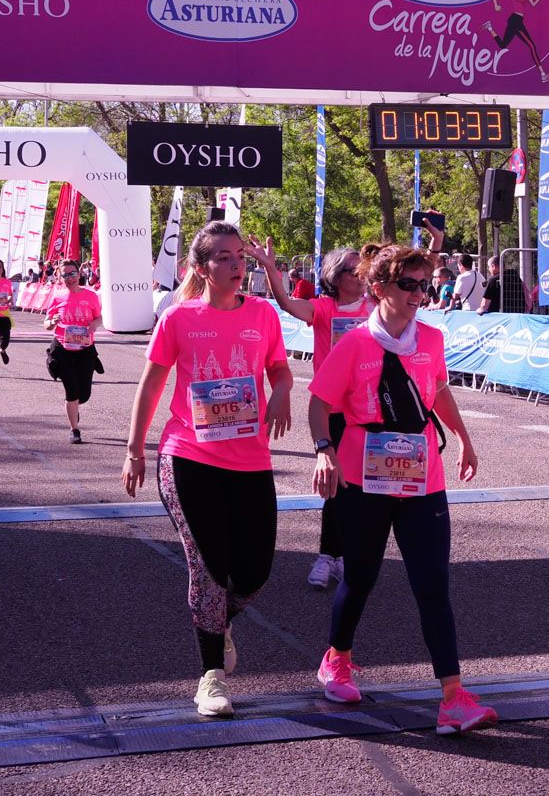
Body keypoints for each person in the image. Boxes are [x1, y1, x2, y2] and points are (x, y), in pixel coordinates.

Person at [307, 243, 497, 734]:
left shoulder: (431, 339)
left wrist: (464, 438)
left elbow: (438, 390)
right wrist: (325, 449)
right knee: (362, 576)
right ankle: (338, 657)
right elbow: (319, 403)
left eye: (424, 284)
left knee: (432, 584)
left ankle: (453, 696)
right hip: (362, 478)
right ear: (379, 289)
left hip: (421, 477)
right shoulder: (353, 344)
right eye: (407, 284)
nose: (418, 294)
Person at [122, 222, 292, 718]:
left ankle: (217, 622)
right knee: (210, 567)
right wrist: (134, 448)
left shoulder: (262, 315)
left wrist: (281, 390)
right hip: (188, 455)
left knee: (255, 572)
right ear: (201, 268)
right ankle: (211, 676)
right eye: (222, 257)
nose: (236, 265)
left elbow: (279, 369)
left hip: (251, 459)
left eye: (240, 255)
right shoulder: (178, 318)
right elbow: (151, 385)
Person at [252, 240, 377, 591]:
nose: (361, 275)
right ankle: (327, 556)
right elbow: (287, 303)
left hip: (369, 409)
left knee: (366, 485)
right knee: (336, 482)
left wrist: (436, 243)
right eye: (354, 270)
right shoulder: (323, 309)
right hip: (332, 408)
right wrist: (268, 266)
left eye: (363, 269)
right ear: (337, 278)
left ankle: (344, 556)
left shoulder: (375, 306)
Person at [44, 259, 104, 444]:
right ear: (60, 277)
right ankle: (74, 430)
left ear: (79, 274)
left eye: (72, 274)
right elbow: (47, 323)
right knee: (72, 391)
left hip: (85, 349)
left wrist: (94, 324)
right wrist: (52, 323)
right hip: (63, 349)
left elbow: (99, 317)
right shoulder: (57, 297)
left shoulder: (91, 296)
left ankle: (75, 406)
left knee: (83, 394)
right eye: (65, 275)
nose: (69, 278)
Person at [480, 0, 549, 83]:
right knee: (532, 46)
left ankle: (489, 27)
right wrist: (496, 5)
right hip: (515, 20)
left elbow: (533, 4)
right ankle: (543, 74)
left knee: (503, 45)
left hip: (518, 20)